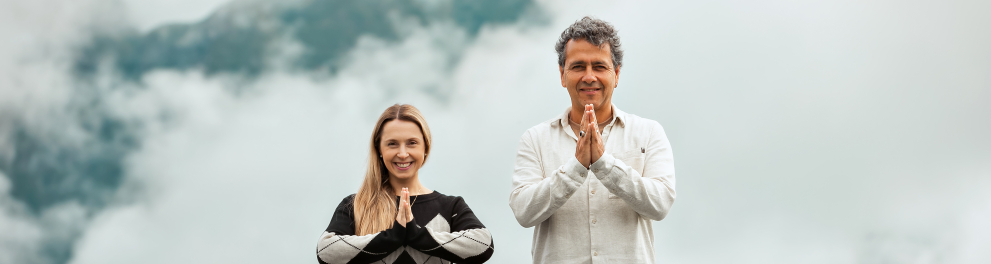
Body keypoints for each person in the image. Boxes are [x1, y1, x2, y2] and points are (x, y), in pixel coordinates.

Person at [509, 17, 676, 264]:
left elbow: (660, 204)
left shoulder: (648, 132)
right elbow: (524, 211)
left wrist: (604, 164)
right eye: (578, 67)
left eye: (599, 66)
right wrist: (575, 167)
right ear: (562, 74)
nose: (589, 77)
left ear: (616, 74)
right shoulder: (535, 139)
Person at [317, 104, 493, 264]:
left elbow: (484, 245)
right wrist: (393, 236)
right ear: (379, 149)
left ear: (425, 147)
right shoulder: (355, 205)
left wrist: (416, 235)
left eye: (412, 143)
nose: (402, 153)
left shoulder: (450, 207)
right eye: (392, 144)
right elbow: (326, 251)